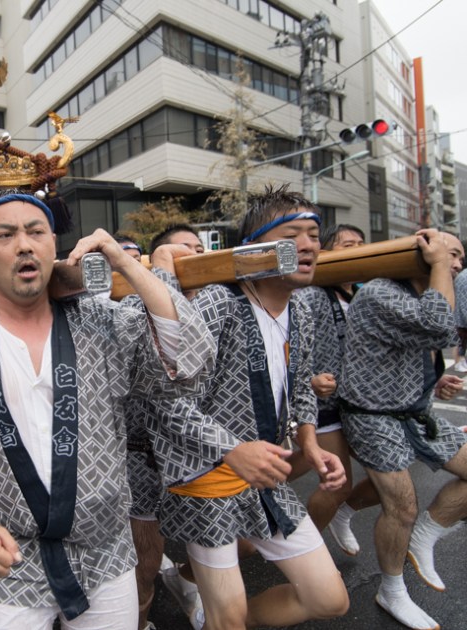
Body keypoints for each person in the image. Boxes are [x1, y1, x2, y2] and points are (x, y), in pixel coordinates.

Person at [0, 189, 214, 629]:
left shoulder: (100, 319)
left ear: (55, 242)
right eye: (5, 235)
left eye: (36, 232)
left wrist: (126, 263)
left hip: (103, 550)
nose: (24, 245)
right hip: (8, 551)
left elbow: (189, 360)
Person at [153, 185, 349, 630]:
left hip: (262, 474)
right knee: (230, 616)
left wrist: (310, 444)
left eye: (315, 235)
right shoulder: (218, 303)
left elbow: (300, 389)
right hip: (207, 476)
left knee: (328, 598)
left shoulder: (302, 309)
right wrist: (232, 450)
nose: (308, 245)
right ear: (254, 248)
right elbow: (164, 404)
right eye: (293, 234)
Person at [339, 229, 467, 630]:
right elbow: (439, 328)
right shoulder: (380, 292)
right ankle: (391, 590)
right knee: (401, 505)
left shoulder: (426, 290)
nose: (456, 263)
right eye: (449, 254)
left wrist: (434, 381)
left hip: (413, 411)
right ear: (422, 254)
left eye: (460, 257)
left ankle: (424, 535)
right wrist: (439, 265)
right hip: (370, 414)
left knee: (410, 506)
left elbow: (423, 346)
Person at [121, 225, 206, 630]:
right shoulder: (125, 310)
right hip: (137, 455)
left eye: (199, 249)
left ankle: (184, 579)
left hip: (200, 453)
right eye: (180, 250)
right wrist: (161, 273)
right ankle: (138, 619)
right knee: (145, 561)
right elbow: (173, 357)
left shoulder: (218, 300)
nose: (191, 255)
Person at [290, 224, 365, 537]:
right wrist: (309, 381)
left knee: (391, 468)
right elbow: (284, 350)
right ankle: (301, 546)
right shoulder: (310, 295)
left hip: (358, 403)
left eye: (362, 243)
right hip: (321, 405)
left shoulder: (365, 295)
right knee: (338, 484)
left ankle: (339, 515)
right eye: (349, 244)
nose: (358, 249)